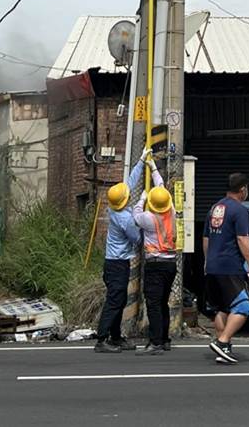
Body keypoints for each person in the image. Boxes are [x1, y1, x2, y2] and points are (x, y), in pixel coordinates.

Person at [95, 148, 151, 353]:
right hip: (118, 263)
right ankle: (102, 339)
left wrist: (141, 160)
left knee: (118, 299)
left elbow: (130, 183)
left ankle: (116, 337)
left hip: (114, 262)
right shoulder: (125, 219)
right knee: (115, 301)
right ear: (126, 201)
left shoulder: (115, 206)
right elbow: (136, 238)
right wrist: (145, 220)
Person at [203, 172, 249, 364]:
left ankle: (223, 349)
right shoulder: (240, 210)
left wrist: (207, 261)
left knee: (222, 308)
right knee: (244, 306)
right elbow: (242, 239)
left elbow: (206, 238)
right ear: (243, 190)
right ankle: (223, 341)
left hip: (212, 267)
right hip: (230, 267)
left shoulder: (214, 208)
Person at [133, 160, 177, 355]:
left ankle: (155, 342)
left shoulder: (148, 219)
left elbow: (135, 215)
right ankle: (165, 339)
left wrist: (142, 199)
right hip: (171, 264)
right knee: (163, 302)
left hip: (155, 264)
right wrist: (153, 168)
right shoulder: (171, 211)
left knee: (153, 303)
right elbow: (161, 187)